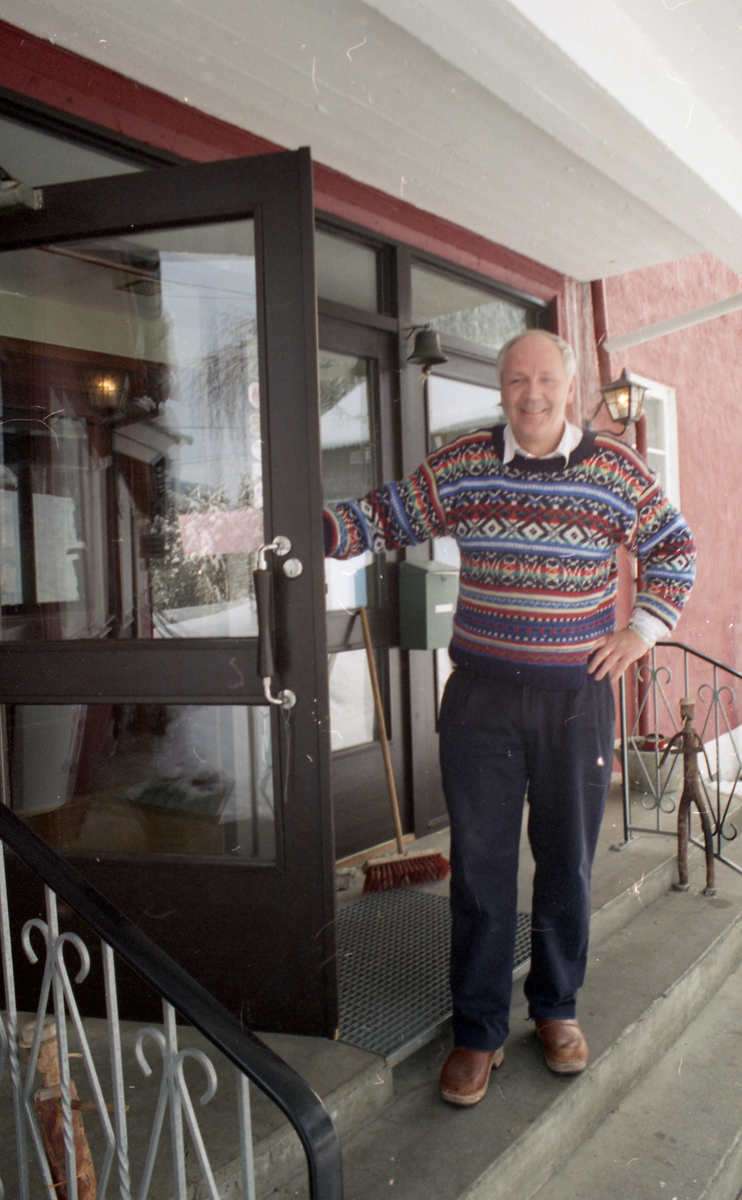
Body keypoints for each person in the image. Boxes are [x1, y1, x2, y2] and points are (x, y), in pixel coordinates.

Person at [323, 329, 696, 1106]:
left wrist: (640, 631)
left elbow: (675, 550)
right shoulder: (464, 464)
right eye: (517, 379)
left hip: (577, 701)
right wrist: (301, 528)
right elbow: (382, 517)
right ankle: (478, 1029)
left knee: (567, 861)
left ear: (571, 387)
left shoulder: (613, 469)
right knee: (484, 870)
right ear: (502, 390)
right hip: (482, 702)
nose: (531, 393)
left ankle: (556, 1010)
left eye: (546, 379)